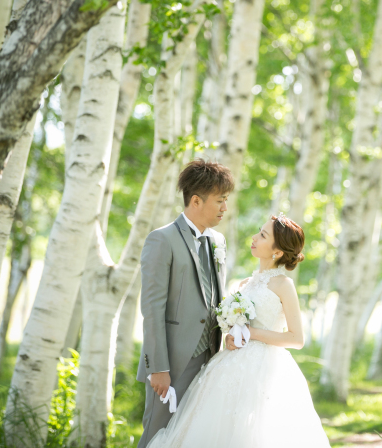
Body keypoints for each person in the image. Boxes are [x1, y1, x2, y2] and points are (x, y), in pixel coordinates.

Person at [145, 213, 331, 447]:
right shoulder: (244, 283)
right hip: (229, 365)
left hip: (265, 369)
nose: (254, 237)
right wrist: (229, 339)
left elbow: (296, 338)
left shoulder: (284, 285)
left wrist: (252, 334)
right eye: (259, 232)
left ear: (278, 252)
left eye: (263, 235)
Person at [137, 158, 234, 448]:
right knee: (156, 436)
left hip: (211, 360)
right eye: (220, 200)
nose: (224, 208)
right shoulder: (162, 239)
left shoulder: (218, 241)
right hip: (173, 363)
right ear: (195, 200)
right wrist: (158, 367)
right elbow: (152, 308)